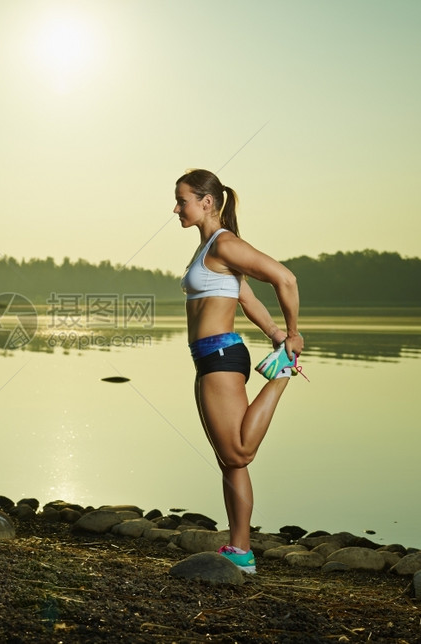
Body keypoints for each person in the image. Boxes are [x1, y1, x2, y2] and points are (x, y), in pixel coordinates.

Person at [174, 168, 305, 574]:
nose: (176, 208)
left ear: (206, 202)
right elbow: (245, 296)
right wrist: (274, 331)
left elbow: (284, 277)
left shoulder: (225, 244)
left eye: (182, 200)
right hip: (207, 358)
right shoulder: (208, 248)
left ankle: (283, 373)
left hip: (222, 356)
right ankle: (241, 551)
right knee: (229, 461)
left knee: (239, 451)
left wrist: (294, 336)